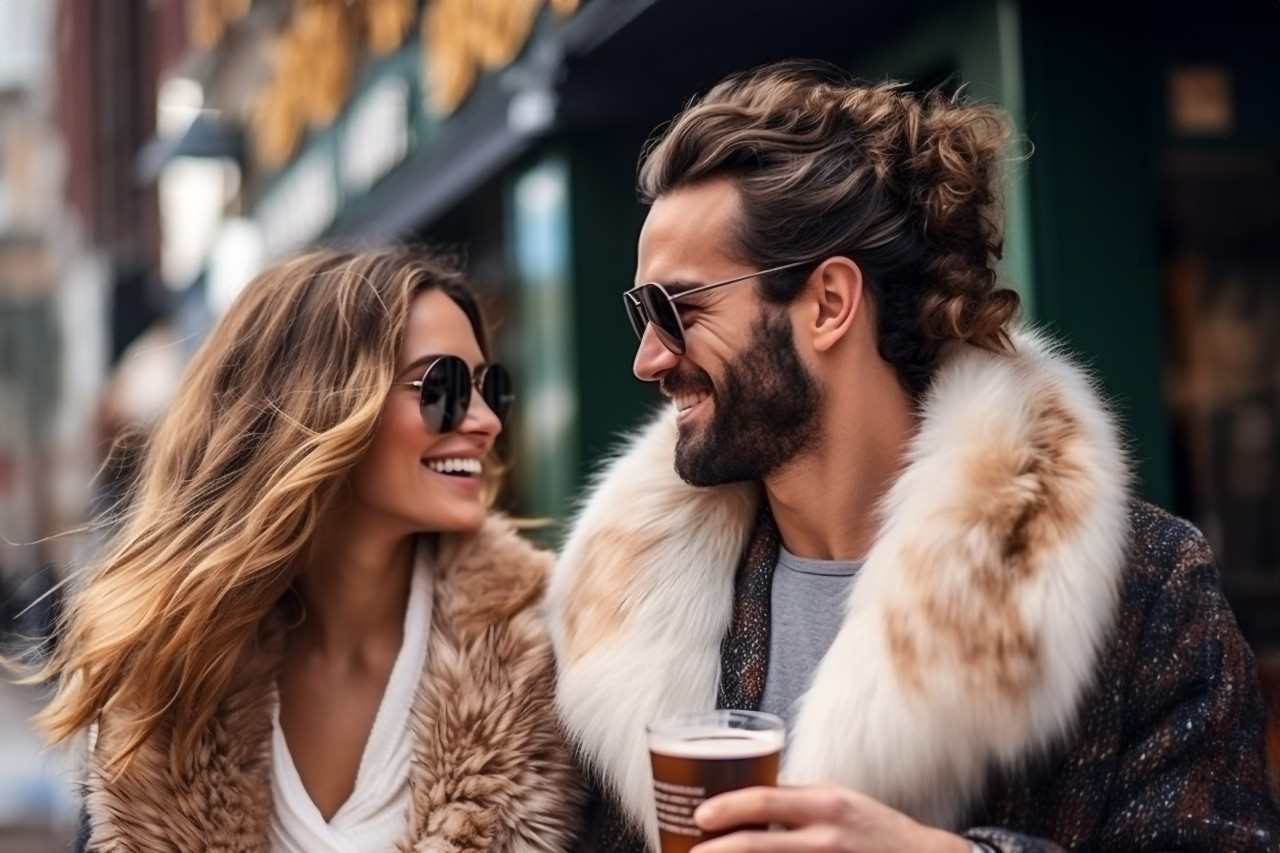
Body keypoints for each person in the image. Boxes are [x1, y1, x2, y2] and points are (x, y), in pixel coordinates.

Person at [549, 61, 1280, 852]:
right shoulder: (620, 624)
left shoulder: (1143, 590)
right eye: (640, 314)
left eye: (675, 308)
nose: (648, 360)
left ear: (830, 302)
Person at [33, 247, 580, 850]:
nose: (485, 420)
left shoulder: (551, 653)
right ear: (321, 407)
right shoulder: (167, 675)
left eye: (490, 388)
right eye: (443, 386)